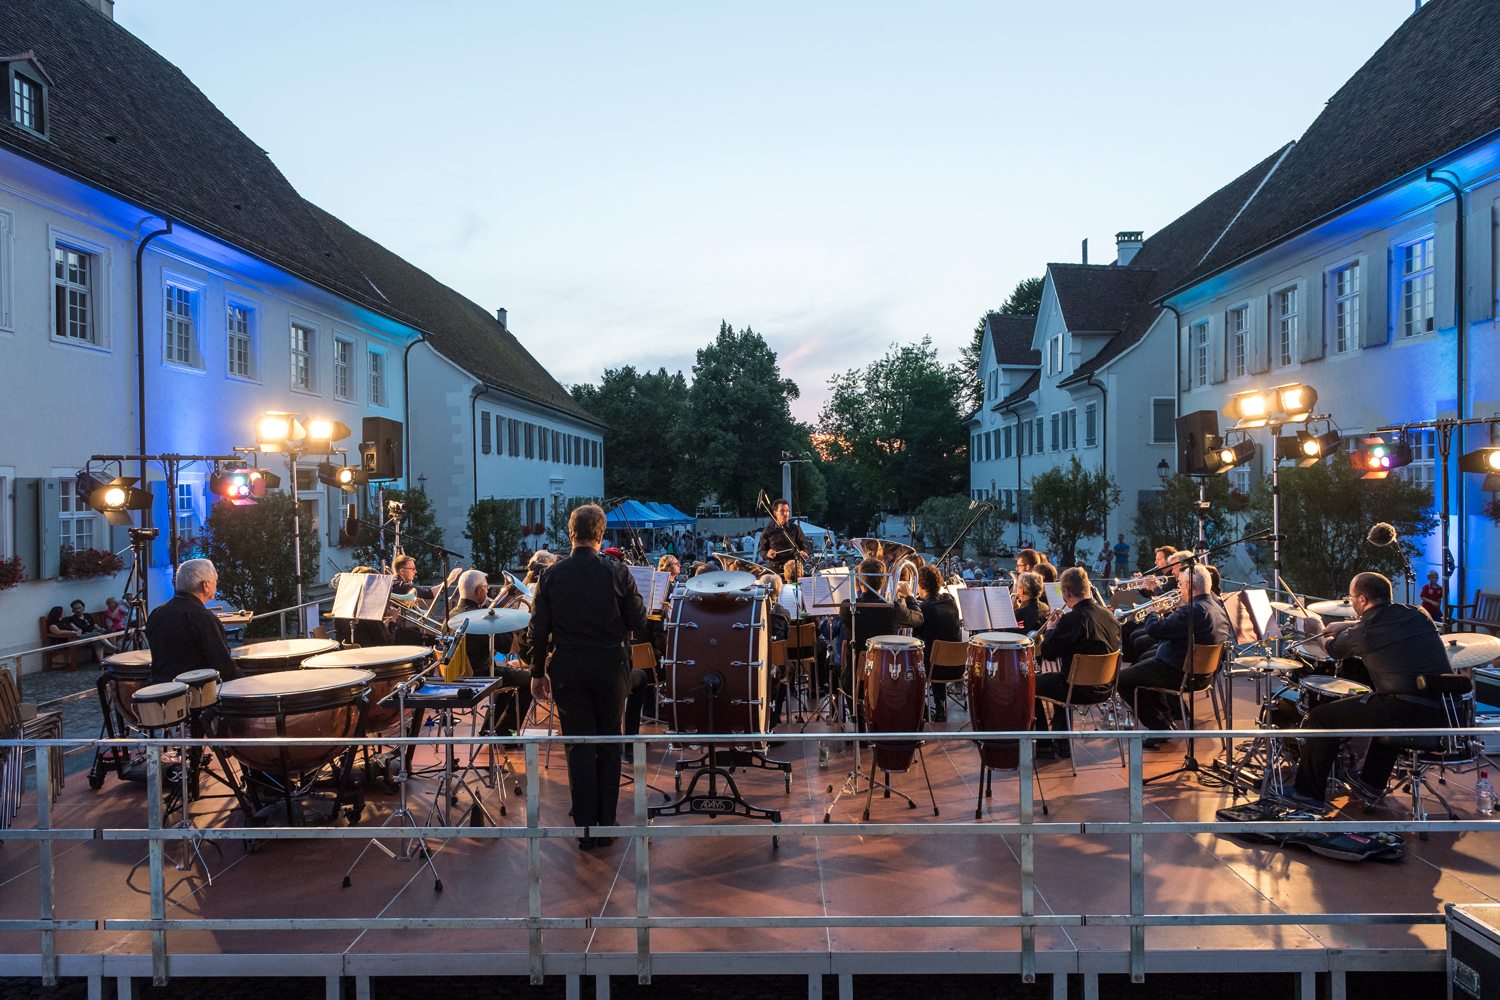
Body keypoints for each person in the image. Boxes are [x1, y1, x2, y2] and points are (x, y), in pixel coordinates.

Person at [528, 504, 647, 850]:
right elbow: (638, 622)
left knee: (578, 746)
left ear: (570, 534)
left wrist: (537, 673)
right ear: (600, 536)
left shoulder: (551, 575)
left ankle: (585, 829)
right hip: (611, 667)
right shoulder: (618, 573)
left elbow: (538, 630)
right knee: (610, 743)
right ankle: (606, 823)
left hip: (568, 668)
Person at [1283, 572, 1450, 812]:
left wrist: (1317, 626)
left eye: (1351, 598)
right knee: (1382, 704)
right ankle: (1370, 783)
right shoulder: (1418, 613)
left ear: (1362, 599)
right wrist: (1348, 624)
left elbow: (1331, 649)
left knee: (1323, 716)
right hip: (1443, 708)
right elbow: (1384, 626)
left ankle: (1307, 794)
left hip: (1403, 710)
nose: (1351, 602)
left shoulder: (1365, 632)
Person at [1114, 564, 1232, 747]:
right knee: (1145, 662)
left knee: (1122, 679)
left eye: (1180, 585)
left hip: (1179, 673)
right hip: (1205, 676)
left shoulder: (1192, 610)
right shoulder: (1217, 607)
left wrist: (1152, 613)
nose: (1179, 589)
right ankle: (1164, 721)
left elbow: (1155, 630)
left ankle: (1159, 726)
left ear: (1189, 585)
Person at [1033, 567, 1122, 758]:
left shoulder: (1072, 620)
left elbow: (1048, 653)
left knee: (1031, 684)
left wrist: (1051, 629)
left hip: (1078, 689)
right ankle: (1062, 742)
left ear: (1066, 593)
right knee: (1056, 680)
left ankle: (1044, 744)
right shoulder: (1107, 614)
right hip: (1107, 687)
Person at [449, 570, 533, 735]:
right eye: (486, 588)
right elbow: (505, 647)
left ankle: (489, 729)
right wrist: (507, 621)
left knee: (507, 677)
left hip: (457, 674)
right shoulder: (476, 618)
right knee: (529, 679)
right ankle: (504, 733)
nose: (488, 592)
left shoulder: (452, 615)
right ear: (479, 590)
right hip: (478, 675)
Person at [837, 558, 923, 703]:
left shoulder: (848, 608)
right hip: (886, 678)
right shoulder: (893, 608)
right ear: (884, 582)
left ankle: (856, 716)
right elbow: (919, 618)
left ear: (859, 581)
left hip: (855, 680)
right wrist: (909, 597)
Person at [143, 558, 237, 684]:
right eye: (215, 581)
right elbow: (224, 668)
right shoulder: (203, 617)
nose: (216, 584)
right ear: (206, 585)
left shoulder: (157, 613)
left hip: (161, 691)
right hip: (194, 695)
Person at [912, 565, 962, 721]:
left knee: (910, 661)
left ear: (920, 585)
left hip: (933, 669)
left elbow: (913, 637)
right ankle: (940, 706)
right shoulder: (951, 600)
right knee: (937, 650)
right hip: (957, 668)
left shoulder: (923, 608)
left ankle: (923, 709)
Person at [758, 499, 810, 571]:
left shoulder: (796, 529)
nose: (785, 514)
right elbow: (762, 550)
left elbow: (804, 547)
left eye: (787, 511)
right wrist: (767, 554)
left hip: (793, 568)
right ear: (775, 513)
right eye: (782, 511)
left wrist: (803, 552)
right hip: (775, 568)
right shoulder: (768, 530)